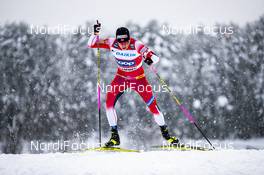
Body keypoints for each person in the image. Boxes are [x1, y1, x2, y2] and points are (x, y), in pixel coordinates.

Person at [88, 22, 179, 147]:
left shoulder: (136, 45)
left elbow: (156, 58)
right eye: (121, 41)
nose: (123, 44)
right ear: (117, 40)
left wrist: (149, 58)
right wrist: (95, 33)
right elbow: (92, 44)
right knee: (108, 104)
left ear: (129, 38)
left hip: (139, 79)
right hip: (121, 78)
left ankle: (167, 136)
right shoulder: (111, 43)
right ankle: (115, 137)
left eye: (126, 40)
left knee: (153, 107)